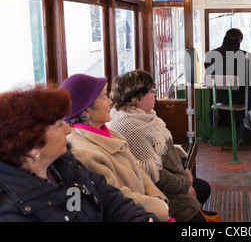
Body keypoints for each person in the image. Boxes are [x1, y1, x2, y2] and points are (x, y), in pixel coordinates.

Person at [0, 86, 158, 222]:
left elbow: (110, 199)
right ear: (33, 144)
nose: (68, 129)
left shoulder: (64, 166)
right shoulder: (11, 210)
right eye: (58, 125)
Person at [59, 74, 170, 222]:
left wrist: (157, 197)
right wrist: (159, 206)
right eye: (104, 97)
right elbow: (116, 197)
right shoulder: (83, 153)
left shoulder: (109, 134)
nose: (111, 102)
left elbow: (139, 171)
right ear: (86, 110)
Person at [107, 70, 211, 222]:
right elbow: (154, 175)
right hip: (157, 192)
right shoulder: (132, 128)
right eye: (151, 91)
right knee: (196, 208)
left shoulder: (146, 117)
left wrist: (184, 167)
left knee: (203, 187)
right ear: (138, 98)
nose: (155, 94)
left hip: (172, 176)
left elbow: (168, 147)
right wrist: (185, 184)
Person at [204, 28, 251, 148]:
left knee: (246, 103)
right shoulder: (246, 57)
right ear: (240, 40)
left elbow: (209, 79)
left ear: (225, 38)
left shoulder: (211, 56)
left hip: (224, 100)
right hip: (245, 101)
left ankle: (244, 139)